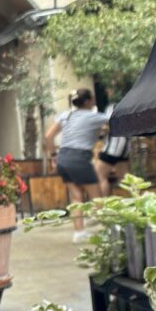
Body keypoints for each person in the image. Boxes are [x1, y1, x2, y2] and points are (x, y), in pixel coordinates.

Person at [43, 88, 109, 242]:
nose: (94, 100)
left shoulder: (66, 115)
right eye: (92, 98)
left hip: (63, 157)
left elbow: (48, 136)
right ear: (87, 101)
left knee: (77, 197)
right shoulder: (95, 117)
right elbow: (113, 121)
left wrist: (53, 155)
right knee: (96, 196)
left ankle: (79, 233)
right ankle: (107, 231)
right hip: (79, 158)